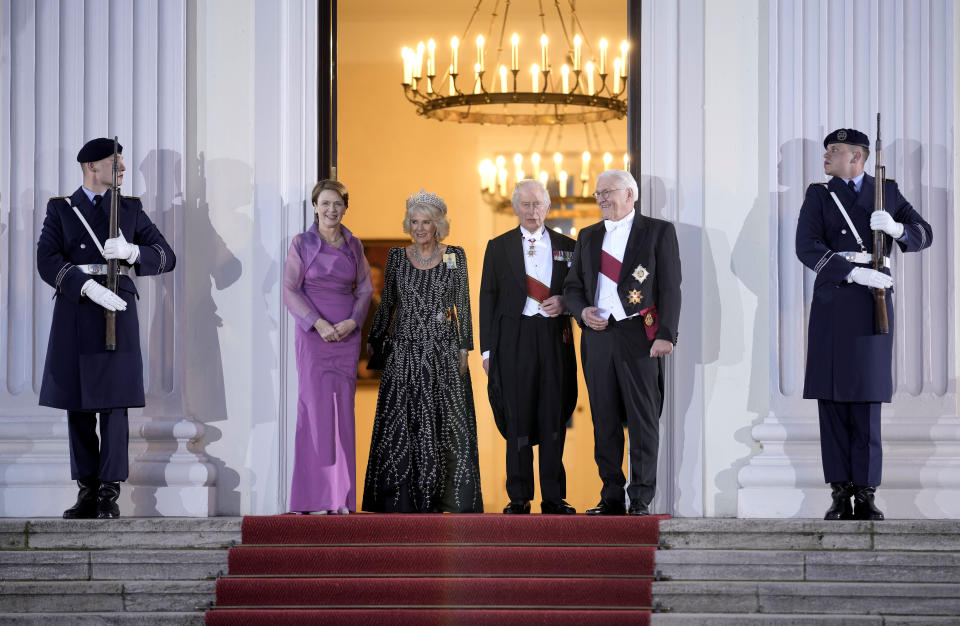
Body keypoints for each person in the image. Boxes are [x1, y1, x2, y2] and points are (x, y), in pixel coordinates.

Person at [795, 128, 932, 521]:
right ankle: (840, 492)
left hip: (874, 305)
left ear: (857, 157)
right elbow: (806, 246)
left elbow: (924, 234)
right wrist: (852, 274)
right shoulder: (819, 195)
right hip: (835, 300)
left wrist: (896, 229)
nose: (826, 156)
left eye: (834, 151)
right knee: (833, 401)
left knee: (867, 404)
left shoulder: (886, 192)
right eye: (826, 150)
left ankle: (867, 493)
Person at [36, 138, 176, 519]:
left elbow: (166, 255)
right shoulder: (62, 210)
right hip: (77, 310)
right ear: (91, 167)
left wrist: (132, 252)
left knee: (114, 404)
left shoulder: (129, 209)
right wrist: (85, 285)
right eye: (115, 163)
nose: (122, 169)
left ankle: (109, 493)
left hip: (118, 309)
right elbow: (47, 260)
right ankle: (87, 490)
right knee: (77, 404)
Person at [563, 169, 681, 516]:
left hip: (639, 336)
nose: (600, 198)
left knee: (643, 421)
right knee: (605, 420)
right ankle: (611, 496)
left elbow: (670, 287)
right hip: (599, 337)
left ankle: (641, 498)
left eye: (607, 192)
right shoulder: (587, 236)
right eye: (598, 193)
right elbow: (572, 287)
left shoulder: (658, 231)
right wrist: (582, 311)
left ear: (631, 194)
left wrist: (666, 335)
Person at [362, 190, 483, 513]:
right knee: (405, 423)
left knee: (444, 424)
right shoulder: (397, 258)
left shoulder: (453, 255)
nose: (419, 228)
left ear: (438, 225)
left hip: (443, 351)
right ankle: (402, 499)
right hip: (405, 351)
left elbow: (464, 304)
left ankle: (443, 498)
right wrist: (373, 338)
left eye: (426, 222)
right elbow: (387, 302)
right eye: (414, 222)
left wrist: (464, 347)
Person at [479, 180, 578, 515]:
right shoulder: (498, 246)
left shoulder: (569, 246)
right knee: (517, 417)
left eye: (537, 204)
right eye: (525, 204)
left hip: (553, 337)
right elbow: (487, 299)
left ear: (547, 206)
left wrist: (566, 302)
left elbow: (581, 292)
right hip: (513, 339)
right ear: (515, 207)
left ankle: (554, 497)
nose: (532, 210)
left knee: (553, 415)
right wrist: (487, 350)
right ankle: (518, 497)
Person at [282, 180, 372, 515]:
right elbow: (290, 290)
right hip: (314, 337)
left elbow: (365, 290)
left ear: (345, 207)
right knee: (316, 413)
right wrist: (317, 323)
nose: (331, 210)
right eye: (325, 203)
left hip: (346, 338)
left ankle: (341, 498)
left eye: (337, 204)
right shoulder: (301, 244)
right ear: (315, 206)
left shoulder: (354, 245)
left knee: (343, 414)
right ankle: (313, 497)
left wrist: (352, 322)